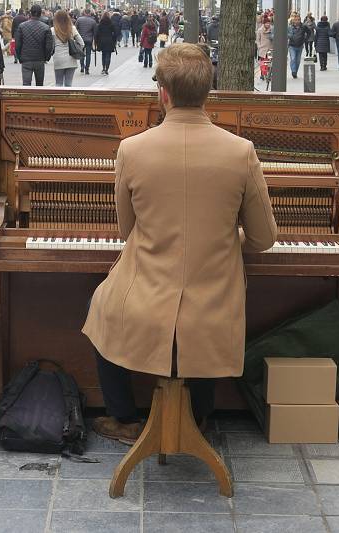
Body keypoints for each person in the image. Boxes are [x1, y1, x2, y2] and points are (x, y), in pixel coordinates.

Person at [83, 43, 277, 444]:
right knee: (195, 327)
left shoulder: (132, 149)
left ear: (164, 93)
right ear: (209, 92)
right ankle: (198, 417)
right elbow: (263, 239)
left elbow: (126, 230)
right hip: (213, 304)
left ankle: (122, 417)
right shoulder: (241, 152)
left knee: (100, 308)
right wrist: (225, 234)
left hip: (146, 299)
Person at [14, 4, 53, 86]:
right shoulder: (46, 28)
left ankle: (26, 99)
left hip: (26, 59)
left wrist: (19, 57)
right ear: (40, 13)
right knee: (39, 85)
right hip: (40, 59)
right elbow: (49, 46)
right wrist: (46, 58)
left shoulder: (22, 26)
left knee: (26, 85)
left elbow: (17, 44)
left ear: (30, 13)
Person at [50, 10, 83, 87]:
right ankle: (68, 99)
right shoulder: (72, 29)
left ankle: (59, 98)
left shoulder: (52, 30)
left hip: (58, 58)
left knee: (58, 83)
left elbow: (50, 45)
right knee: (68, 84)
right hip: (71, 58)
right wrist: (76, 49)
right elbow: (81, 43)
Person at [75, 8, 97, 74]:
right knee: (88, 54)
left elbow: (75, 29)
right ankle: (87, 68)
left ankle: (82, 66)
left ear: (84, 12)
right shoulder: (93, 21)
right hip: (89, 40)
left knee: (81, 54)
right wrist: (95, 40)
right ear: (90, 13)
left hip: (81, 39)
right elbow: (95, 32)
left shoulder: (79, 19)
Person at [287, 13, 309, 78]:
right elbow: (287, 34)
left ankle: (295, 72)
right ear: (293, 20)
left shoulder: (304, 26)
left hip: (300, 46)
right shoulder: (290, 27)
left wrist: (305, 39)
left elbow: (309, 32)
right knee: (293, 59)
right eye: (296, 20)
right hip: (292, 46)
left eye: (298, 20)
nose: (297, 21)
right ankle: (293, 71)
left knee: (298, 60)